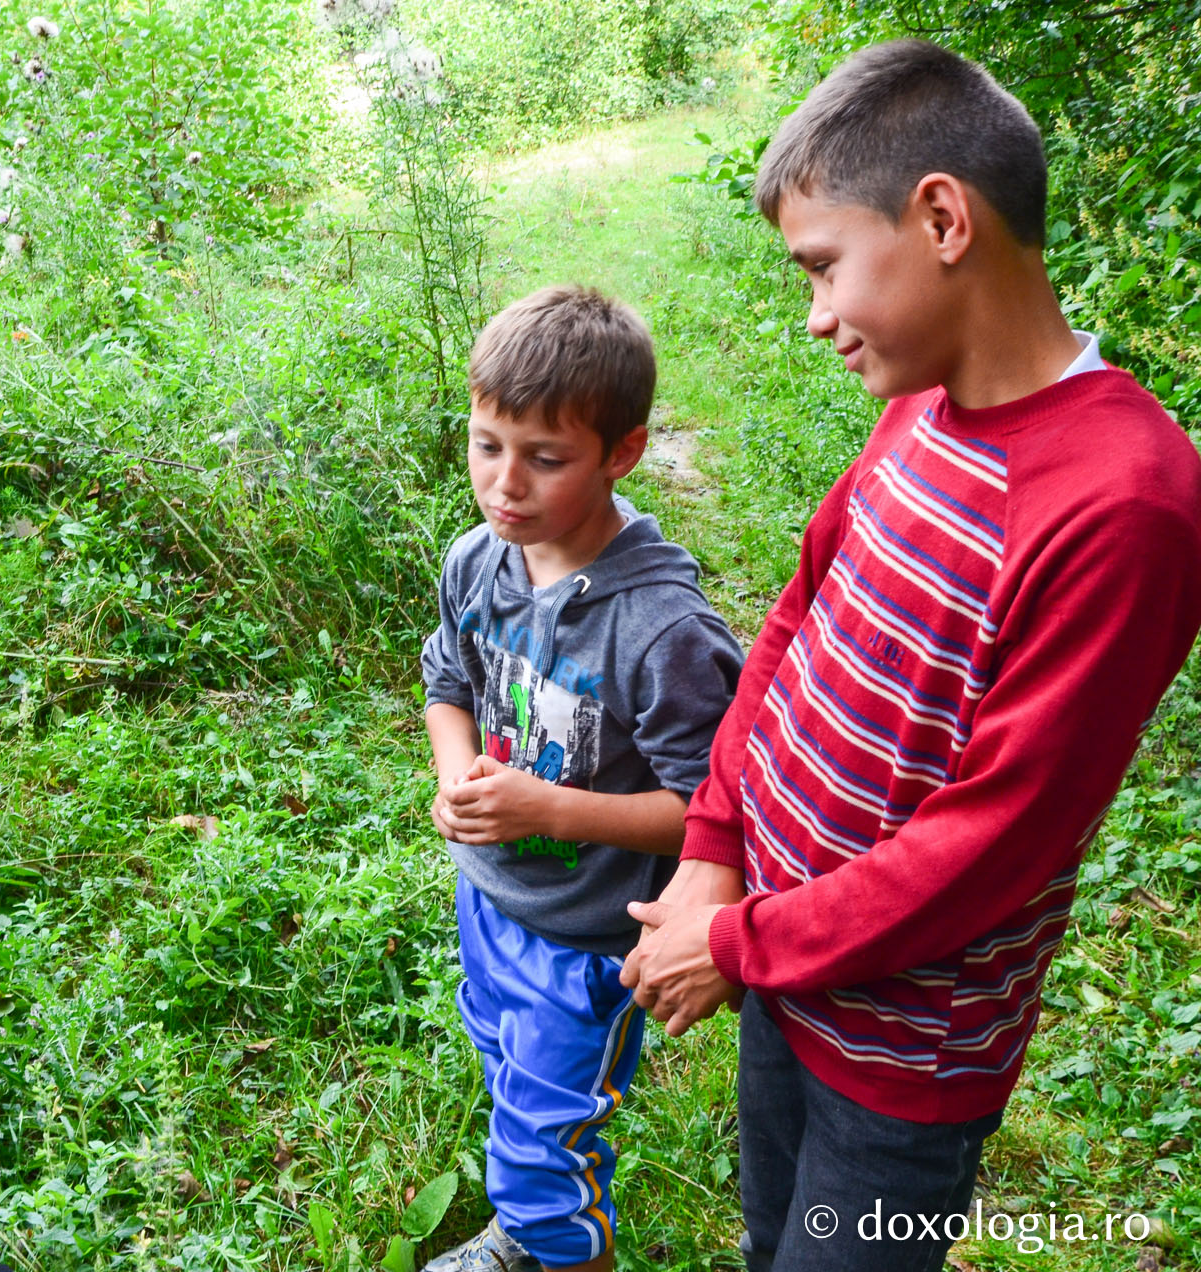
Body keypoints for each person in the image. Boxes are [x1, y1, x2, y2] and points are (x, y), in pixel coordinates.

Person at [619, 40, 1201, 1272]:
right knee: (770, 1240)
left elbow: (996, 840)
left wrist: (734, 942)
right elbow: (797, 621)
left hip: (902, 1060)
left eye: (825, 267)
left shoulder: (1126, 503)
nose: (817, 317)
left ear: (942, 219)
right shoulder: (918, 409)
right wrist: (717, 852)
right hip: (784, 968)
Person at [419, 286, 743, 1272]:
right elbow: (446, 682)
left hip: (589, 940)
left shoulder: (663, 631)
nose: (504, 484)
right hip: (493, 901)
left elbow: (711, 813)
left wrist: (551, 808)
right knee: (510, 1080)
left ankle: (543, 1233)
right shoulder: (480, 562)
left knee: (545, 1156)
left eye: (545, 458)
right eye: (486, 445)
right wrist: (456, 775)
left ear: (622, 453)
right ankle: (526, 1230)